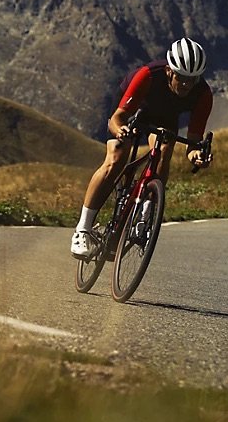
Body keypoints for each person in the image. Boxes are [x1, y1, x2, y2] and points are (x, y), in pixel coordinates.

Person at [71, 37, 214, 258]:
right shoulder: (148, 75)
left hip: (164, 118)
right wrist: (121, 131)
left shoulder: (203, 94)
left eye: (192, 79)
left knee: (164, 152)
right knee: (116, 158)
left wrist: (196, 156)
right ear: (169, 71)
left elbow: (194, 140)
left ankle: (144, 217)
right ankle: (82, 229)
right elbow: (116, 119)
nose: (186, 85)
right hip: (131, 110)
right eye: (182, 78)